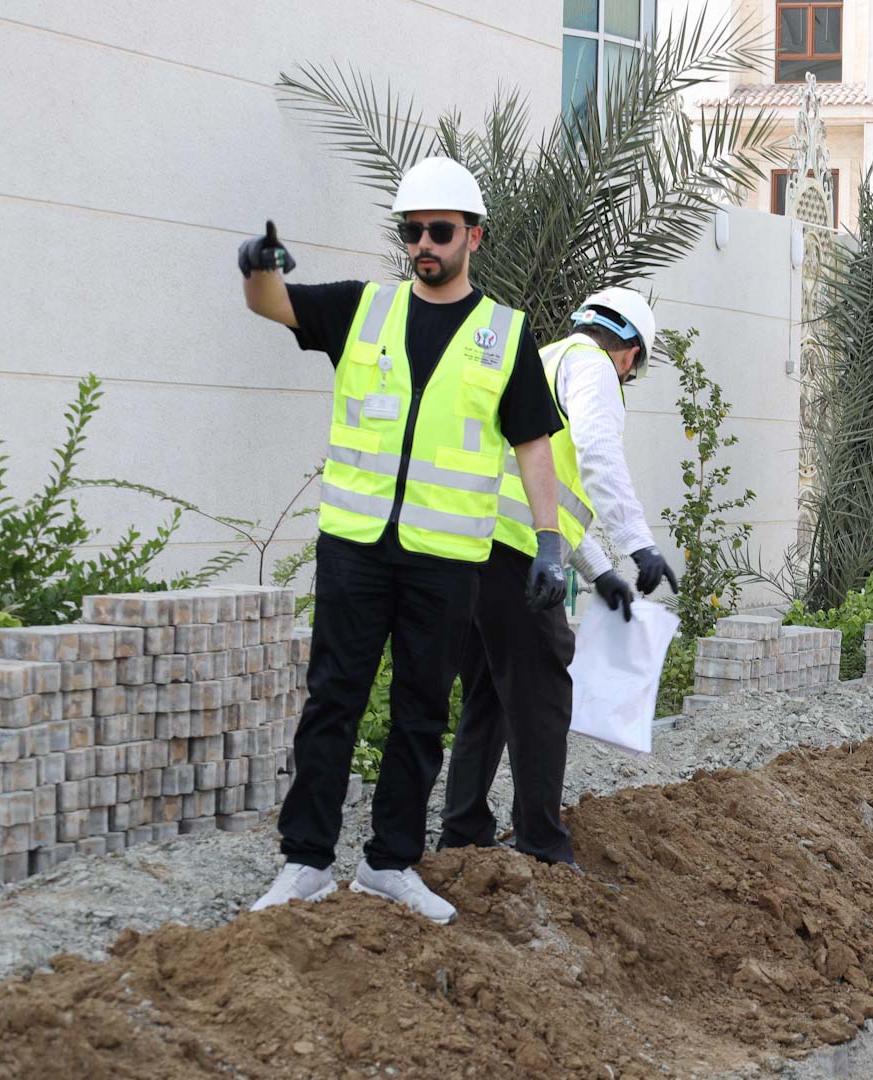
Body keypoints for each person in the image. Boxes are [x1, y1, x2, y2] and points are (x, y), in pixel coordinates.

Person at [239, 157, 569, 923]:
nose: (424, 243)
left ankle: (390, 862)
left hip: (447, 559)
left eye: (440, 231)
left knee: (421, 711)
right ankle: (306, 861)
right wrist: (257, 267)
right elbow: (272, 304)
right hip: (355, 546)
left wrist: (548, 541)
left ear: (473, 237)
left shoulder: (504, 334)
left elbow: (532, 443)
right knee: (334, 701)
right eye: (412, 230)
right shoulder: (362, 309)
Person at [440, 287, 679, 867]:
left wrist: (598, 571)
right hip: (520, 558)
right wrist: (639, 546)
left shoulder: (546, 359)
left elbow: (551, 492)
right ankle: (542, 844)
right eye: (633, 367)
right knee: (546, 693)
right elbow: (596, 452)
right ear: (629, 354)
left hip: (475, 547)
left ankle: (464, 830)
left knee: (488, 697)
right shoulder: (594, 367)